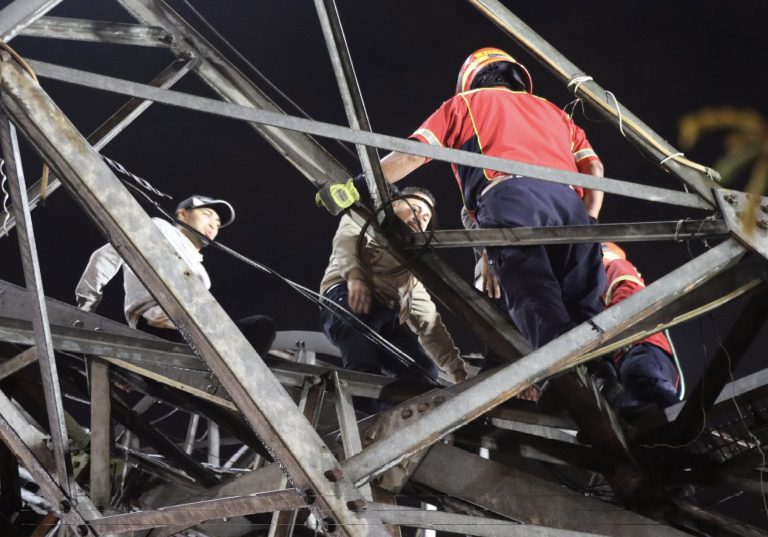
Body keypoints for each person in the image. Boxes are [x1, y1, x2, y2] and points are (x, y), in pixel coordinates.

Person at [375, 47, 606, 352]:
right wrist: (587, 219)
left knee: (533, 291)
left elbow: (412, 153)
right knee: (584, 299)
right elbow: (594, 167)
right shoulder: (554, 111)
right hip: (569, 201)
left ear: (471, 80)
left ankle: (564, 373)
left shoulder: (466, 103)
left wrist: (362, 182)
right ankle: (601, 373)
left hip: (511, 196)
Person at [75, 195, 275, 355]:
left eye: (217, 223)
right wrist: (85, 309)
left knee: (260, 326)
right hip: (162, 327)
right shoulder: (160, 228)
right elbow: (106, 256)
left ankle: (237, 386)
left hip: (200, 334)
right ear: (182, 214)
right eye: (207, 214)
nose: (214, 224)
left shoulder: (201, 270)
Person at [319, 186, 468, 395]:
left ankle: (394, 416)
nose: (420, 219)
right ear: (395, 204)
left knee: (423, 372)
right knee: (362, 355)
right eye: (415, 209)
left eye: (426, 217)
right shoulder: (367, 220)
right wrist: (355, 277)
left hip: (386, 316)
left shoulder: (409, 274)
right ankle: (362, 407)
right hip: (348, 296)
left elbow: (429, 324)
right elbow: (346, 241)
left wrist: (458, 373)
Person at [601, 242, 680, 410]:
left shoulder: (615, 266)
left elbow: (629, 296)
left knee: (647, 392)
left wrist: (603, 336)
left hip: (639, 348)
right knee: (641, 414)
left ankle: (693, 434)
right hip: (637, 352)